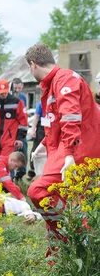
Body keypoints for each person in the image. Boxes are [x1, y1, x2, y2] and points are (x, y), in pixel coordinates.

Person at [25, 43, 100, 257]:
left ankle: (77, 231)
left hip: (79, 149)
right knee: (70, 198)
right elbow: (55, 123)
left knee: (38, 191)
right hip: (71, 148)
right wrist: (42, 146)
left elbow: (70, 118)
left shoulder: (64, 79)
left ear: (32, 65)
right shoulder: (52, 85)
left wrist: (68, 155)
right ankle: (61, 254)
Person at [11, 78, 29, 178]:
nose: (17, 89)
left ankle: (21, 173)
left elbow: (23, 113)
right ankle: (13, 174)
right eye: (15, 87)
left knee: (24, 150)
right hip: (13, 129)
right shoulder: (10, 97)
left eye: (19, 87)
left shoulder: (23, 97)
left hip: (21, 128)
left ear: (22, 86)